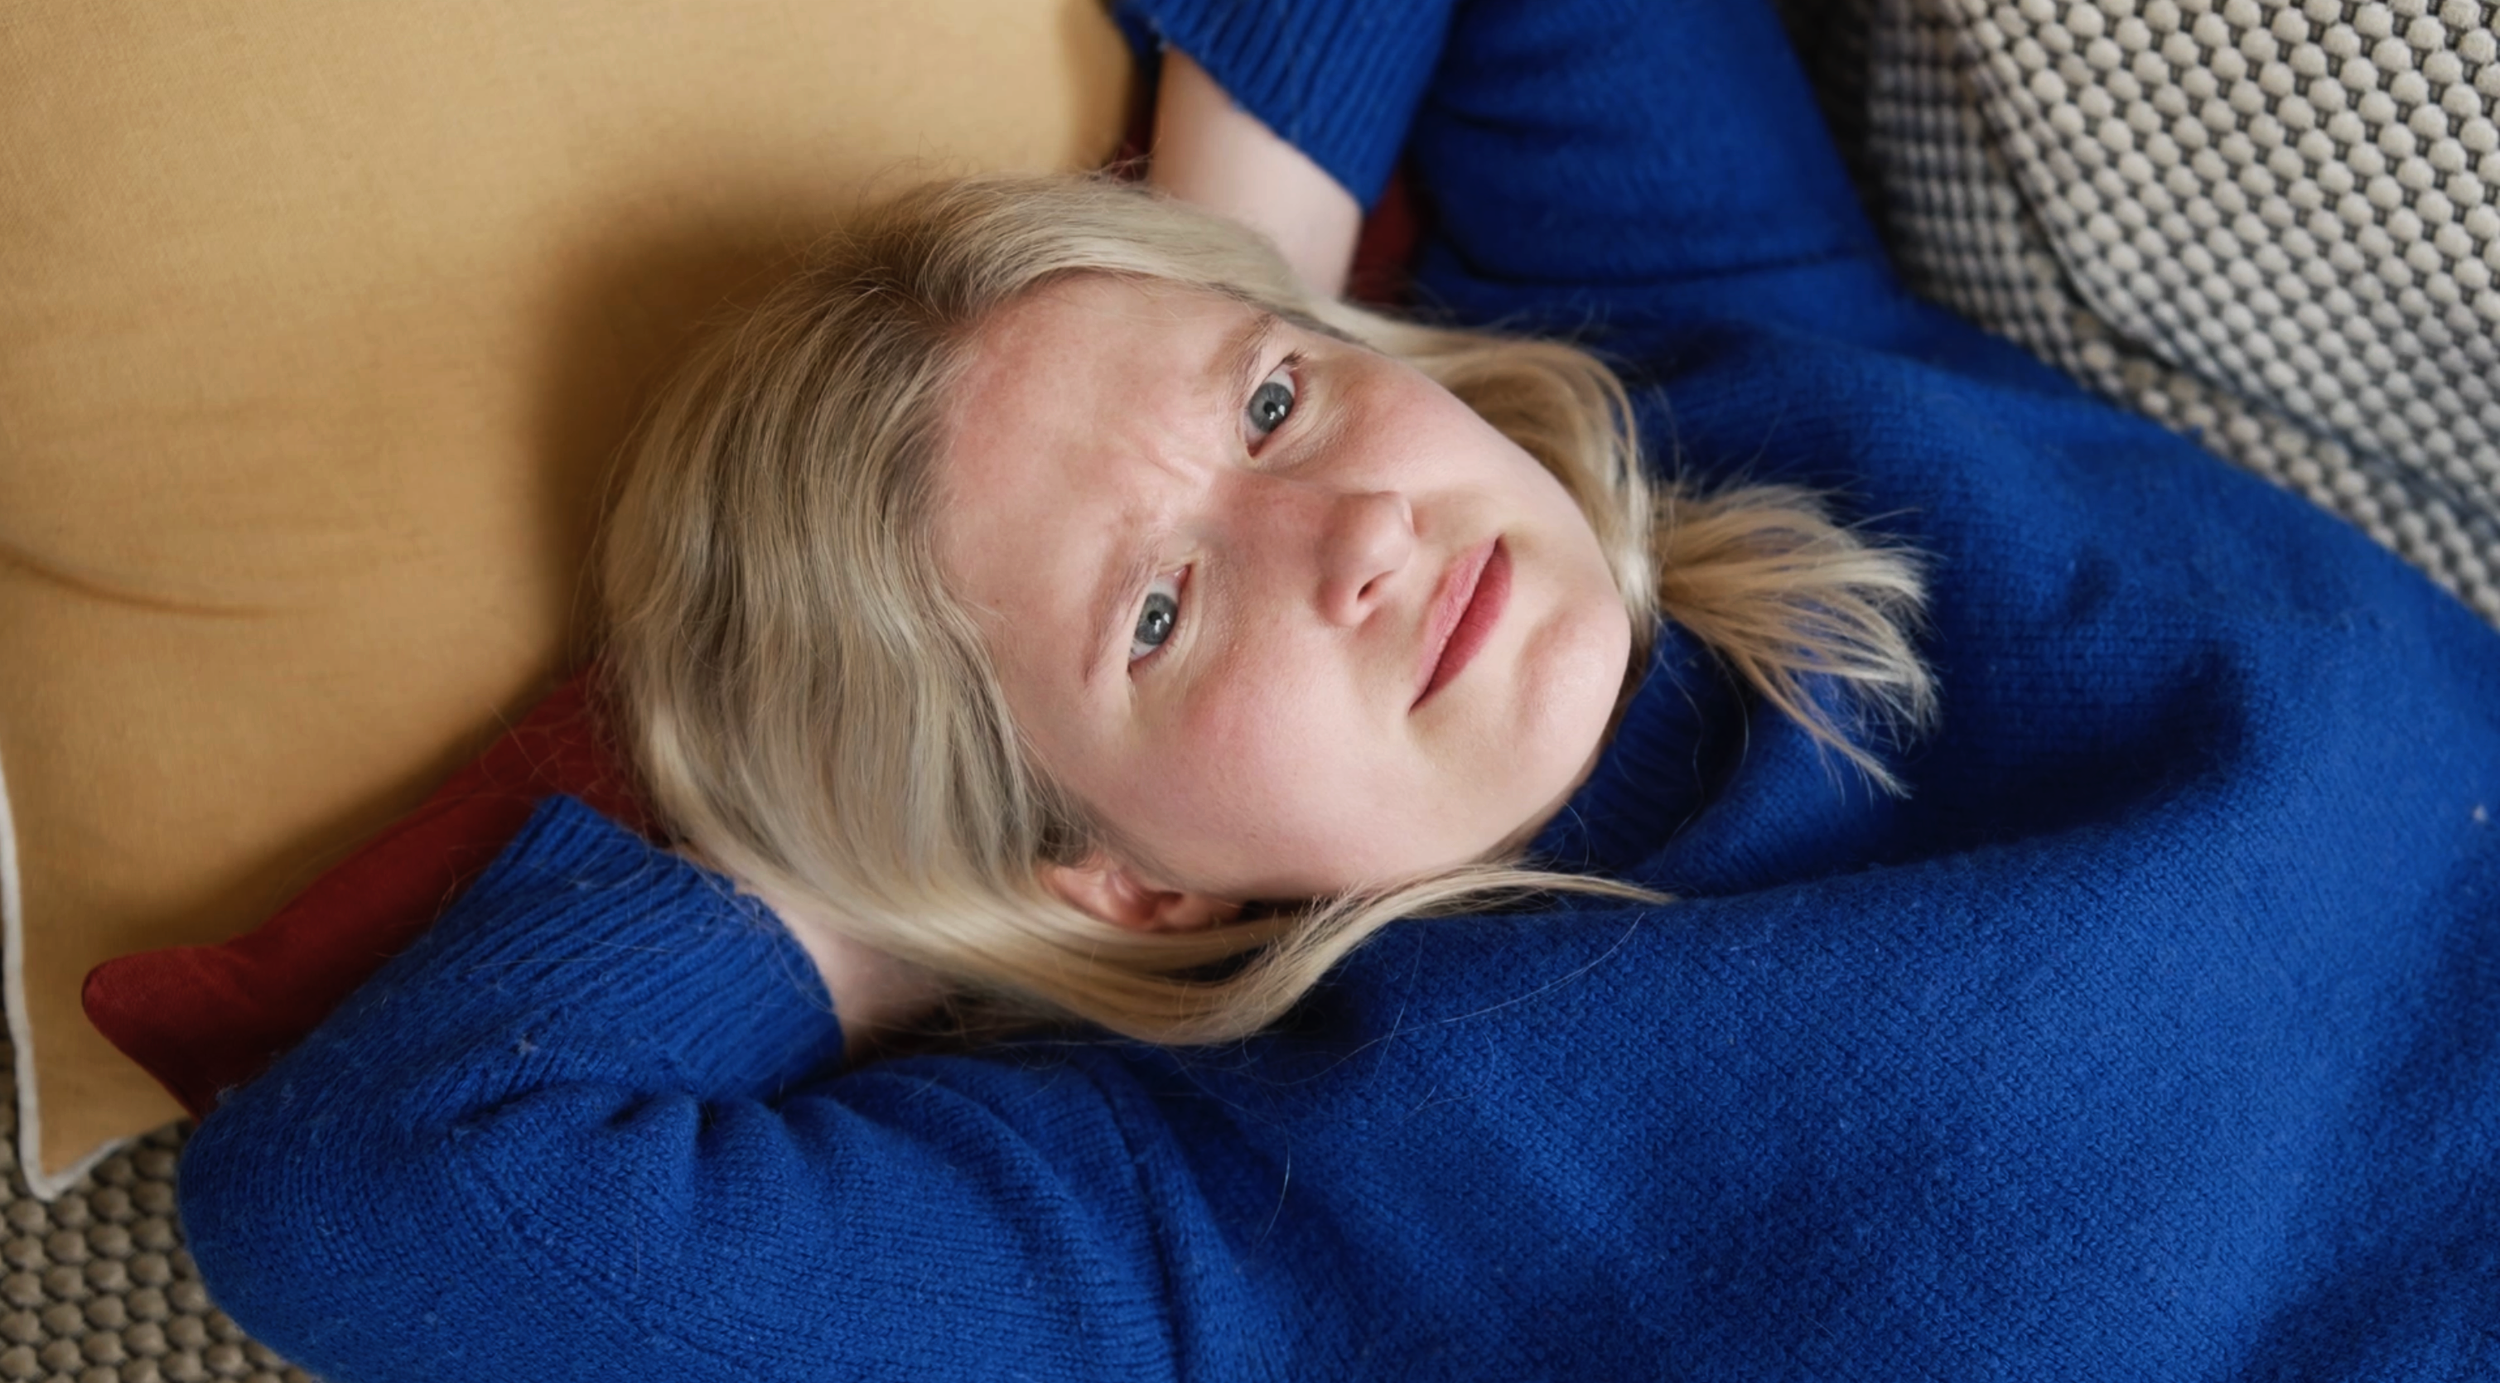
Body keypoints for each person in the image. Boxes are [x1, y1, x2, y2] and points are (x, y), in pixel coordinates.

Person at [179, 1, 2500, 1378]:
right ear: (1108, 870)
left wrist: (1233, 277)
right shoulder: (1211, 1213)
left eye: (1281, 407)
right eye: (1158, 613)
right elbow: (361, 1195)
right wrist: (923, 881)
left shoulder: (1714, 353)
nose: (1353, 533)